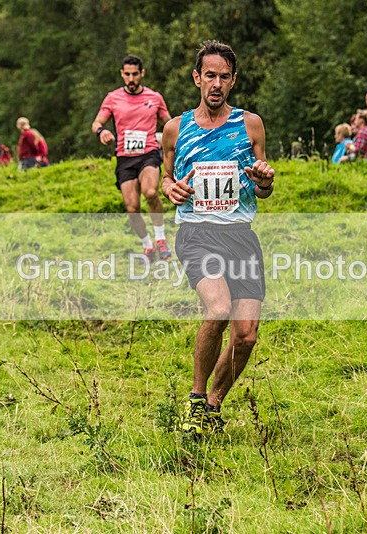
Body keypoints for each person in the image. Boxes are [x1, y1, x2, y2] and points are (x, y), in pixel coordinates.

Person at [160, 40, 276, 436]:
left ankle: (212, 405)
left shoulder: (250, 124)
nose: (216, 83)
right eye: (209, 75)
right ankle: (195, 398)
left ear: (233, 80)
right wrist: (169, 189)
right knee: (218, 308)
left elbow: (262, 187)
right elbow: (167, 177)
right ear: (197, 78)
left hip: (241, 236)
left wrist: (264, 183)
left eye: (224, 76)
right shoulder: (176, 128)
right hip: (197, 233)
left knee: (245, 336)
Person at [92, 54, 173, 261]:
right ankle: (147, 245)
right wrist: (102, 132)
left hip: (148, 154)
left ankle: (161, 238)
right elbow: (97, 123)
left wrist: (179, 141)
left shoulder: (155, 98)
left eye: (134, 74)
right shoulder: (112, 98)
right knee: (132, 207)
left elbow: (169, 124)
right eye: (127, 74)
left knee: (151, 192)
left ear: (142, 74)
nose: (130, 79)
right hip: (124, 158)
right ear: (122, 74)